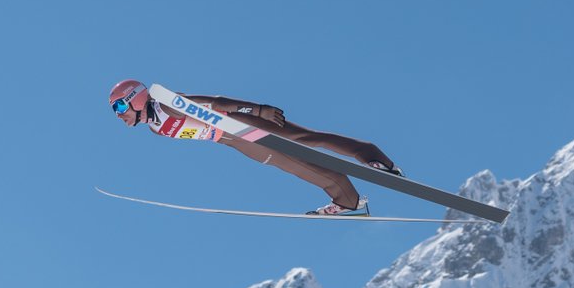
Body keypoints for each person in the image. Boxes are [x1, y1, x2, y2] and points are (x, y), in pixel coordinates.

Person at [108, 79, 403, 216]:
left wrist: (258, 110)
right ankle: (348, 199)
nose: (119, 114)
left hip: (240, 122)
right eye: (114, 110)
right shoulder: (156, 127)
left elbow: (214, 103)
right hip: (231, 140)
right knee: (295, 165)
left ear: (136, 98)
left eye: (120, 106)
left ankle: (374, 158)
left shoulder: (166, 104)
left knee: (306, 140)